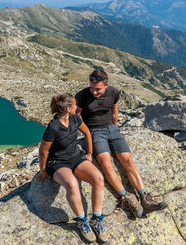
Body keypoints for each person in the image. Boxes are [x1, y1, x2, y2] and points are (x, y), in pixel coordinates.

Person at [75, 70, 167, 218]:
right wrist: (86, 134)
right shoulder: (82, 96)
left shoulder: (113, 92)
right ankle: (126, 198)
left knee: (128, 160)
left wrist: (115, 128)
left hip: (112, 129)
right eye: (91, 88)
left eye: (98, 89)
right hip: (95, 132)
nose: (94, 92)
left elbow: (114, 112)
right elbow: (76, 117)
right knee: (106, 164)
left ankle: (144, 198)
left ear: (107, 85)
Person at [36, 93, 108, 243]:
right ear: (68, 109)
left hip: (75, 157)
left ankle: (96, 218)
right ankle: (82, 221)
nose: (77, 106)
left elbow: (87, 132)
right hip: (57, 162)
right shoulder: (53, 127)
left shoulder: (75, 118)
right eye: (75, 105)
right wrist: (43, 171)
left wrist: (89, 153)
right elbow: (43, 150)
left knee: (98, 178)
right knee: (72, 184)